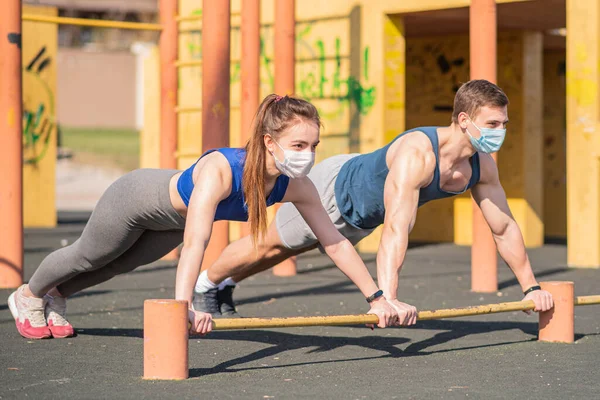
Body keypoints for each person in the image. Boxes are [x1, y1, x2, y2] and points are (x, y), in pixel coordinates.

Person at [8, 94, 399, 340]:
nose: (308, 153)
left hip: (170, 223)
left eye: (313, 145)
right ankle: (27, 295)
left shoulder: (296, 185)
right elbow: (198, 241)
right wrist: (185, 306)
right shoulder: (221, 169)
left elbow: (334, 242)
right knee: (88, 256)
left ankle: (56, 295)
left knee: (116, 268)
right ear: (269, 142)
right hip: (135, 199)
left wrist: (377, 298)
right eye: (298, 144)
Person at [194, 80, 554, 323]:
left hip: (361, 217)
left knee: (287, 249)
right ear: (464, 120)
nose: (500, 132)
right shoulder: (418, 154)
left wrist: (531, 288)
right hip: (334, 190)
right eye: (493, 123)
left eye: (504, 124)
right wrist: (388, 298)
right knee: (273, 244)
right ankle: (207, 283)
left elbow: (503, 226)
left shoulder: (481, 165)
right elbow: (397, 227)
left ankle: (224, 284)